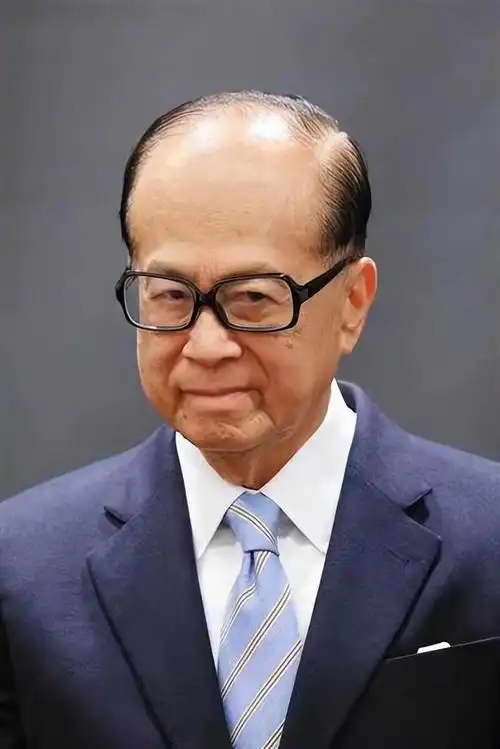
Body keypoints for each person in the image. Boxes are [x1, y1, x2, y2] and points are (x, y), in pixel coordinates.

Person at [1, 90, 499, 749]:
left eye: (255, 298)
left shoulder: (488, 540)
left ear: (353, 302)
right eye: (170, 294)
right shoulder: (21, 568)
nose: (206, 346)